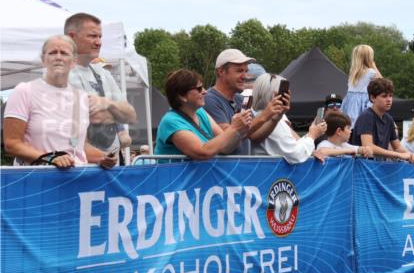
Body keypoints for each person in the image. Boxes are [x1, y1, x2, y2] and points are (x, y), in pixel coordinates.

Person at [3, 35, 116, 170]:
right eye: (52, 53)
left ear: (74, 62)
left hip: (74, 182)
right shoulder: (24, 91)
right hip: (37, 181)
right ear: (43, 60)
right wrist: (51, 158)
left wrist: (102, 157)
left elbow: (79, 147)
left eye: (64, 53)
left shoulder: (81, 98)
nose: (58, 57)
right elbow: (12, 144)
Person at [64, 13, 137, 157]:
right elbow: (90, 116)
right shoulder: (60, 74)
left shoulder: (103, 73)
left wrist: (105, 104)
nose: (98, 42)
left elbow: (129, 114)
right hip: (79, 165)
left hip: (109, 162)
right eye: (92, 36)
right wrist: (113, 109)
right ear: (72, 37)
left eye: (100, 37)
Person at [155, 69, 253, 159]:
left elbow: (225, 148)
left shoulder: (200, 112)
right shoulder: (171, 121)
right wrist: (234, 128)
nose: (205, 91)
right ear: (181, 96)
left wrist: (240, 131)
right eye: (199, 89)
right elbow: (202, 152)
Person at [203, 49, 282, 154]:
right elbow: (227, 140)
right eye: (239, 71)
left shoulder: (241, 99)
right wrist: (265, 115)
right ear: (221, 71)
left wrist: (274, 119)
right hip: (225, 168)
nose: (245, 76)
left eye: (246, 71)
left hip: (241, 168)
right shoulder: (208, 99)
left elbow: (254, 136)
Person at [250, 73, 328, 163]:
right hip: (275, 174)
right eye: (284, 91)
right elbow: (296, 155)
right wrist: (312, 135)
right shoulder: (274, 121)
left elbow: (293, 145)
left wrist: (311, 133)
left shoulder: (257, 116)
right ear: (276, 94)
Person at [348, 77, 414, 163]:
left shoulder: (389, 119)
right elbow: (368, 146)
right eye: (384, 96)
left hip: (378, 168)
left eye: (391, 96)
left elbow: (397, 147)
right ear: (373, 98)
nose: (389, 100)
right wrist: (398, 155)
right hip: (363, 168)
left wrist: (410, 154)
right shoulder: (366, 116)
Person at [341, 44, 381, 126]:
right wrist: (374, 66)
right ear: (369, 58)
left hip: (350, 103)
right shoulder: (371, 72)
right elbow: (382, 84)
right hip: (363, 102)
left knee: (351, 126)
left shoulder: (353, 73)